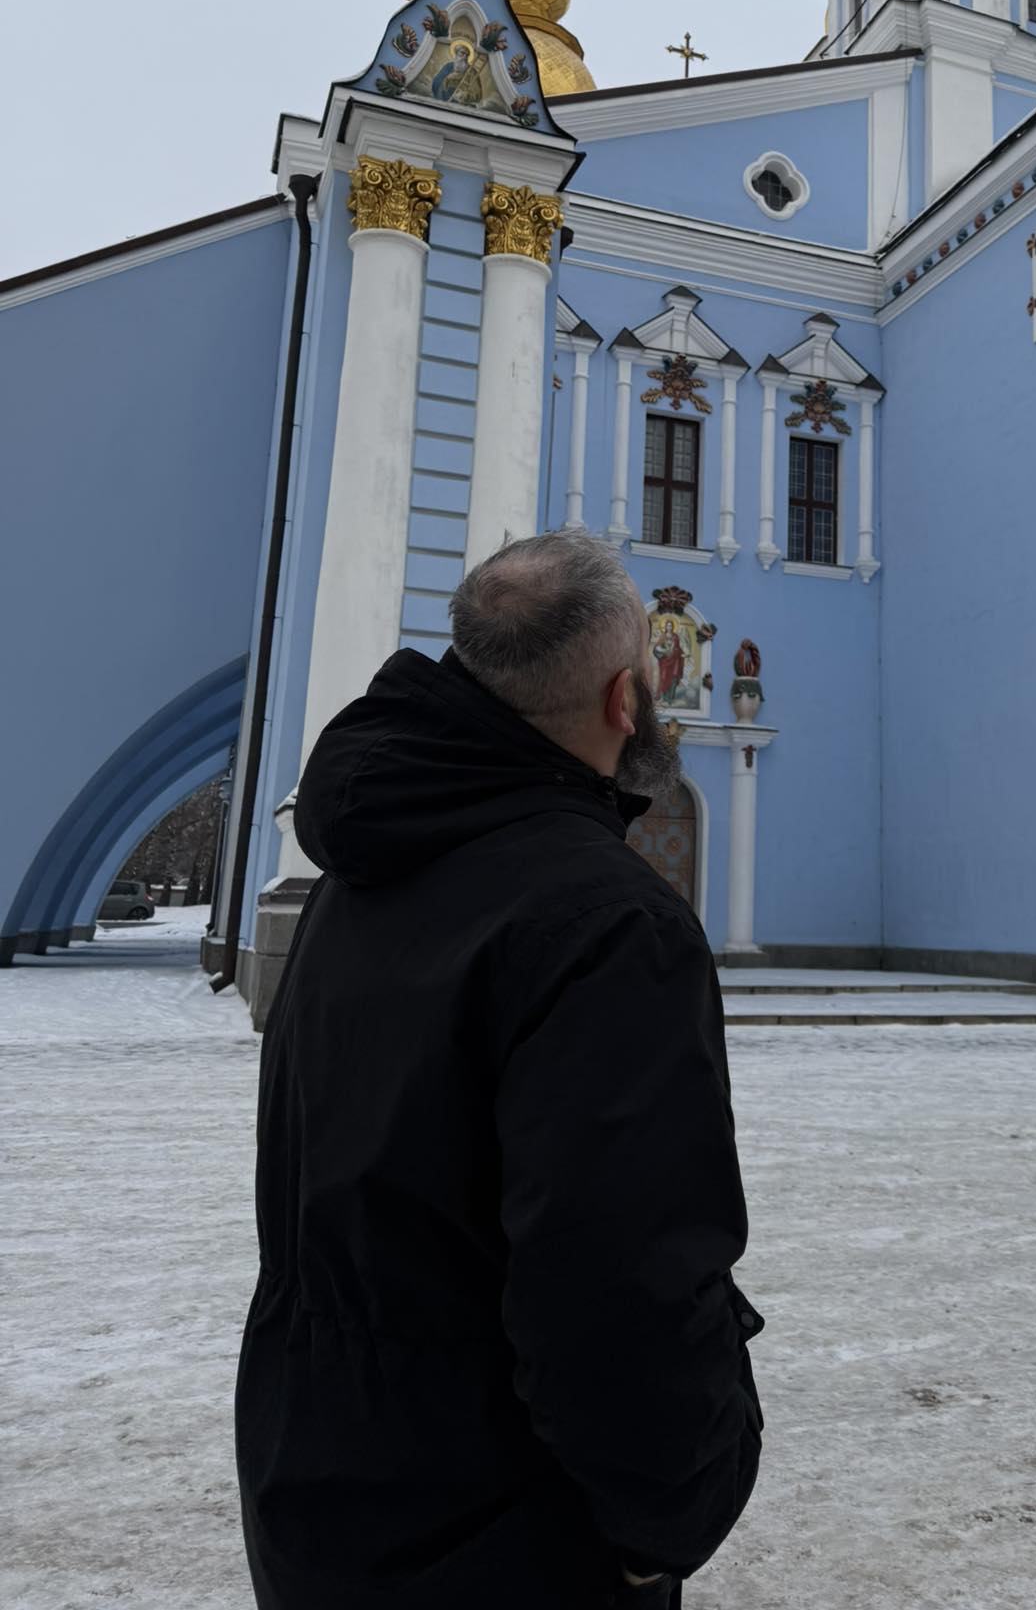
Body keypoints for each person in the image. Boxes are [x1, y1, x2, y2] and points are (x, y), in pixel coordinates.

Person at [235, 530, 764, 1609]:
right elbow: (619, 1283)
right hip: (504, 1516)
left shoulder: (370, 858)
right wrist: (660, 1523)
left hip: (318, 1465)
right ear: (631, 695)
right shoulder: (606, 923)